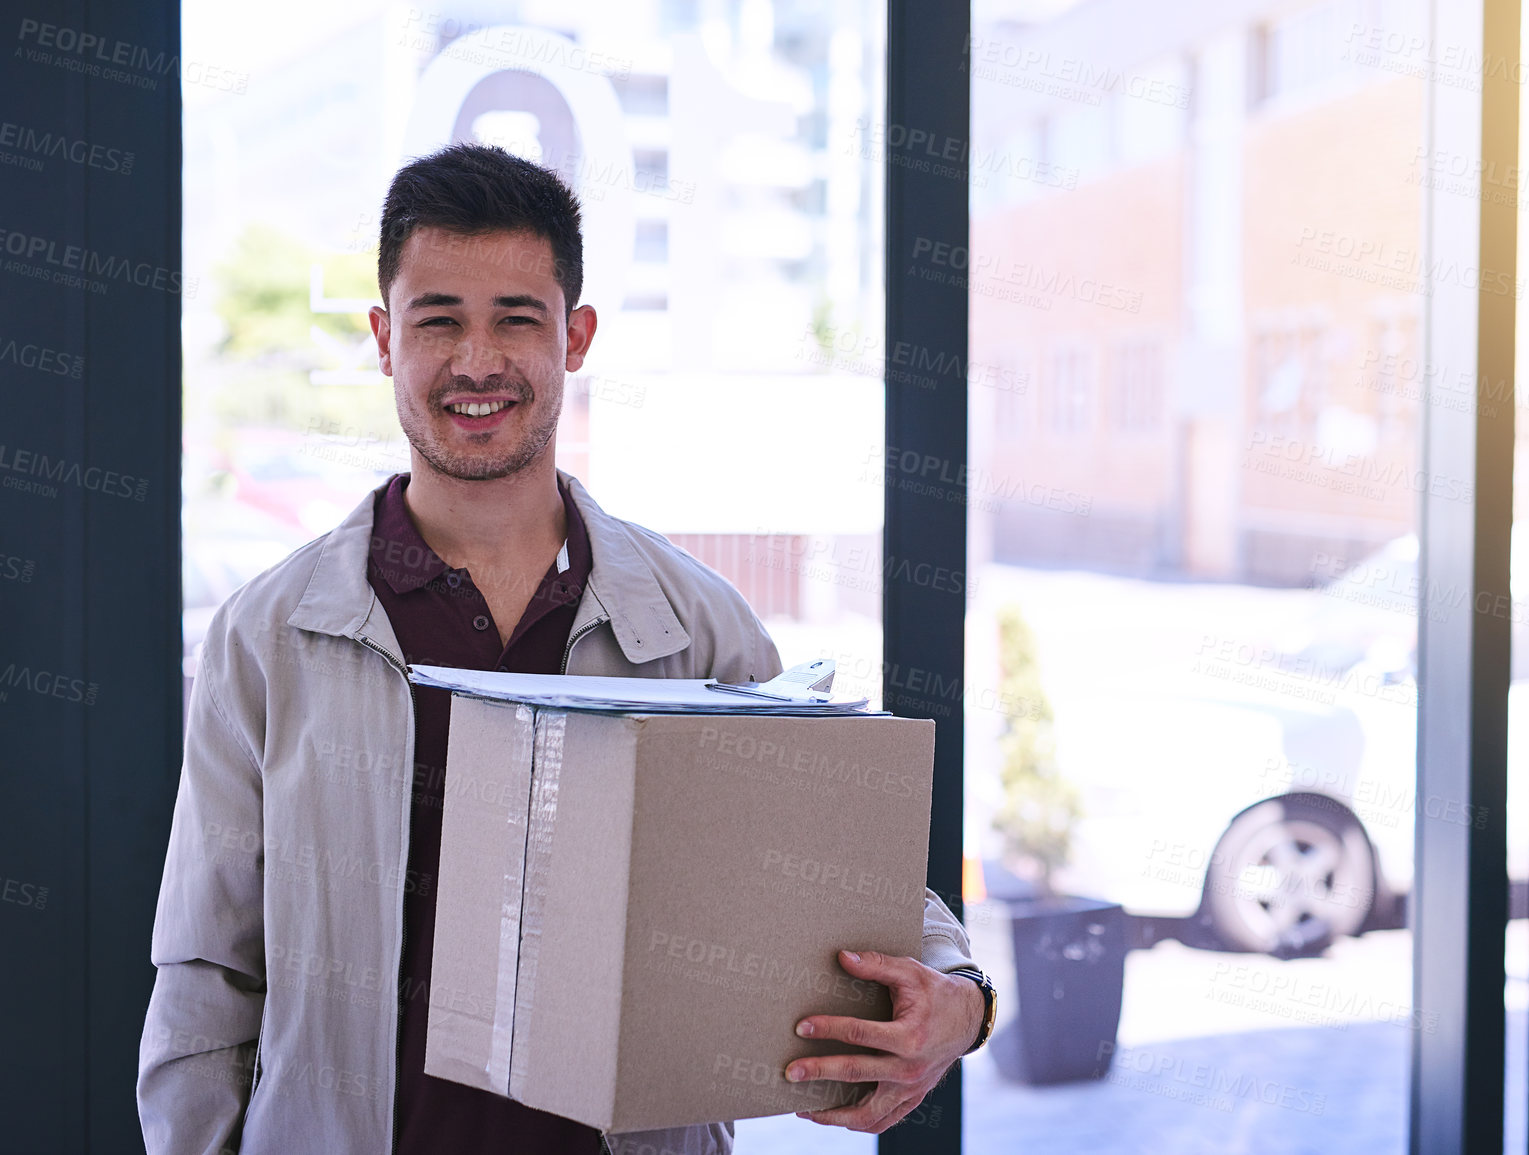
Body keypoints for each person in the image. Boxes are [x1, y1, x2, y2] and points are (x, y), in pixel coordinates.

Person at [137, 143, 990, 1155]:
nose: (477, 361)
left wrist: (965, 1000)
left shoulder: (695, 626)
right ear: (382, 337)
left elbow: (838, 883)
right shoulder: (269, 636)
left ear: (575, 336)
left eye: (517, 319)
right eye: (438, 319)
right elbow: (207, 973)